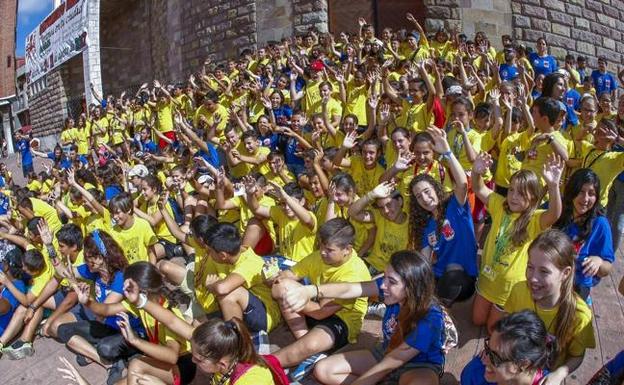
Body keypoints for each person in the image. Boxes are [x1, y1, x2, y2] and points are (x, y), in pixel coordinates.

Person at [281, 250, 449, 385]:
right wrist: (311, 290)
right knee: (323, 370)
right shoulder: (390, 291)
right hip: (386, 351)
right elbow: (350, 289)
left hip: (419, 366)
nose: (383, 285)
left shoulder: (431, 319)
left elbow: (393, 361)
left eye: (391, 281)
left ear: (411, 287)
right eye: (384, 277)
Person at [270, 218, 372, 381]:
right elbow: (290, 274)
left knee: (311, 345)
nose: (323, 252)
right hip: (316, 306)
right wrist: (276, 278)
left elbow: (321, 313)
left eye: (329, 249)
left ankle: (265, 363)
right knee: (282, 286)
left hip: (343, 320)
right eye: (321, 246)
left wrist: (291, 297)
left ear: (347, 249)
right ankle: (303, 342)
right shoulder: (319, 256)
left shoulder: (354, 272)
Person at [471, 151, 564, 328]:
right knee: (476, 321)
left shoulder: (535, 220)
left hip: (509, 288)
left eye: (521, 193)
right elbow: (479, 188)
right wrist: (476, 172)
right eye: (511, 190)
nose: (514, 196)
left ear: (533, 198)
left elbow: (554, 214)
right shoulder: (499, 205)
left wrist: (553, 186)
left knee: (493, 329)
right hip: (487, 279)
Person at [491, 229, 596, 385]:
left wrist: (559, 373)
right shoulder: (519, 290)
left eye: (544, 271)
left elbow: (577, 355)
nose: (533, 278)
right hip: (515, 371)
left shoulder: (580, 315)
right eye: (530, 267)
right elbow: (506, 330)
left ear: (565, 273)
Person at [73, 261, 195, 385]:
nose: (124, 292)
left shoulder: (167, 311)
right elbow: (107, 309)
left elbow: (172, 356)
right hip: (160, 361)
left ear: (143, 291)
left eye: (128, 288)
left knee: (137, 365)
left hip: (181, 367)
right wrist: (87, 302)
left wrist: (135, 341)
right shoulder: (141, 304)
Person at [408, 126, 477, 305]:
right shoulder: (426, 226)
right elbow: (424, 260)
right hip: (438, 279)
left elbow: (462, 183)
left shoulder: (455, 206)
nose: (424, 197)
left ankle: (438, 308)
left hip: (463, 279)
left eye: (426, 191)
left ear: (436, 190)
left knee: (452, 272)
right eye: (418, 196)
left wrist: (447, 152)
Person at [460, 310, 552, 385]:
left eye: (494, 357)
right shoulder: (475, 374)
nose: (484, 359)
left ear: (522, 364)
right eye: (487, 348)